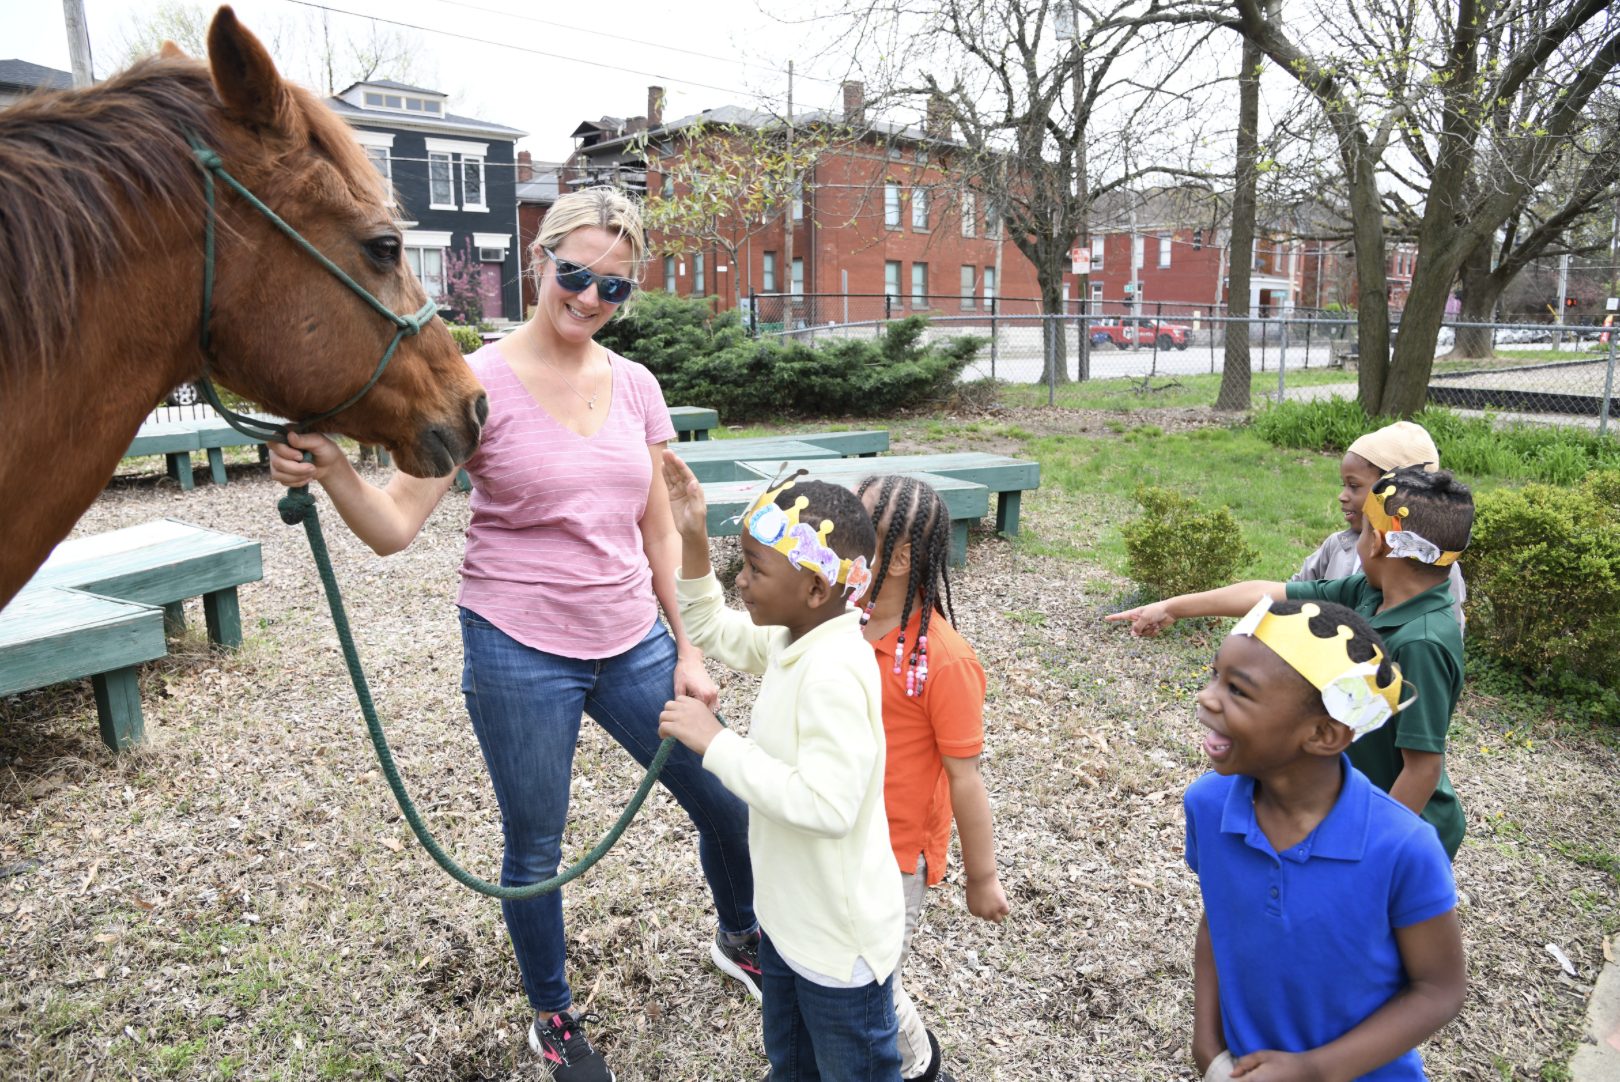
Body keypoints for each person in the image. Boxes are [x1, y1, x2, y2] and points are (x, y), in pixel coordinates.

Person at [267, 186, 757, 1082]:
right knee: (535, 847)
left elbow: (655, 528)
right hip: (517, 645)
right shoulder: (478, 381)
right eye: (575, 274)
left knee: (728, 799)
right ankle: (553, 1015)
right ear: (541, 260)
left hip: (631, 640)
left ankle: (741, 936)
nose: (590, 299)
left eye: (615, 288)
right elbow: (394, 526)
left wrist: (686, 645)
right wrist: (335, 469)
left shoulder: (638, 386)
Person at [658, 466, 905, 1082]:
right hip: (788, 928)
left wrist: (716, 744)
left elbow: (829, 806)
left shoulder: (833, 671)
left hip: (837, 951)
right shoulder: (796, 636)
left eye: (753, 569)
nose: (740, 579)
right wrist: (691, 538)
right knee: (791, 1067)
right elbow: (713, 628)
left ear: (817, 588)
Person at [1108, 466, 1473, 859]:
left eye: (1364, 529)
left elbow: (1421, 769)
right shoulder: (1370, 593)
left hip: (1395, 829)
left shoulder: (1422, 641)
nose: (1358, 538)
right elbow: (1269, 595)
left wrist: (1371, 856)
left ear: (1380, 543)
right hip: (1345, 802)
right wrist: (1173, 607)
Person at [1186, 596, 1465, 1081]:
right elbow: (1219, 919)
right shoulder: (1208, 805)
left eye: (1238, 691)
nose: (1208, 698)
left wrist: (1314, 1069)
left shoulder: (1402, 848)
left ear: (1325, 734)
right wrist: (1206, 1041)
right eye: (1214, 676)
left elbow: (1439, 989)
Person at [855, 475, 1010, 1082]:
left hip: (895, 856)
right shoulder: (844, 621)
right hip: (839, 834)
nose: (836, 537)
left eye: (854, 529)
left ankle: (919, 1063)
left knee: (872, 980)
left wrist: (982, 877)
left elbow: (966, 780)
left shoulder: (944, 661)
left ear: (896, 558)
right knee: (841, 968)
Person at [1293, 420, 1466, 629]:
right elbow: (1293, 594)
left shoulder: (1436, 566)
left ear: (1393, 494)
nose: (1342, 496)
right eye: (1344, 485)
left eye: (1354, 486)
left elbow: (1451, 631)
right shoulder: (1338, 545)